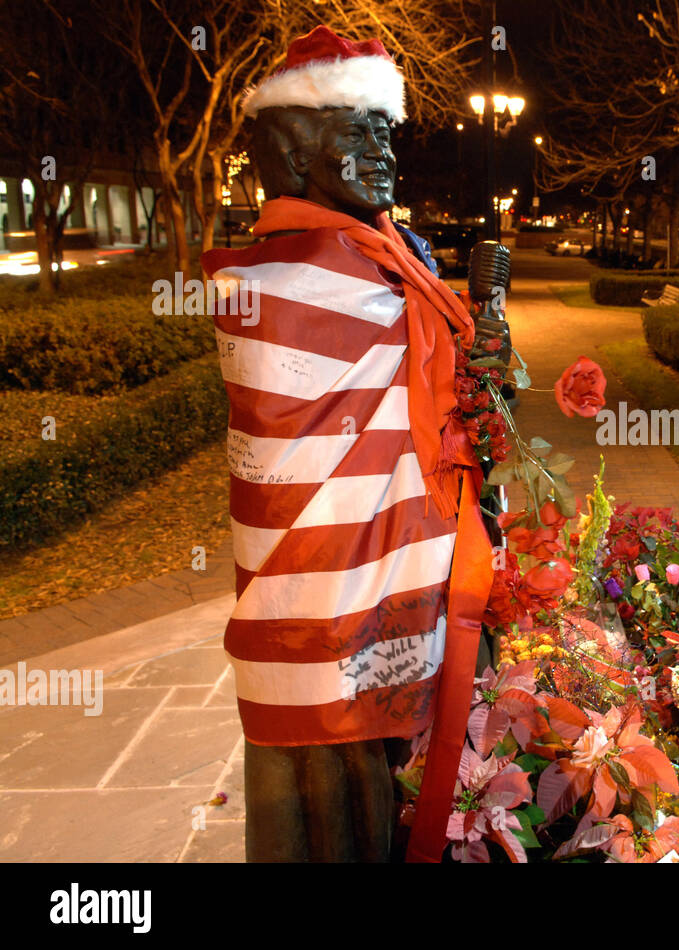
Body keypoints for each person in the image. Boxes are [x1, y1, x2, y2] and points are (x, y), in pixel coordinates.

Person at [201, 26, 499, 862]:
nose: (383, 153)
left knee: (382, 766)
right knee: (330, 778)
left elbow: (441, 396)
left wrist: (479, 368)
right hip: (317, 590)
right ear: (294, 151)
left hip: (394, 568)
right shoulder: (281, 278)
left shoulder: (392, 261)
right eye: (356, 132)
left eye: (386, 132)